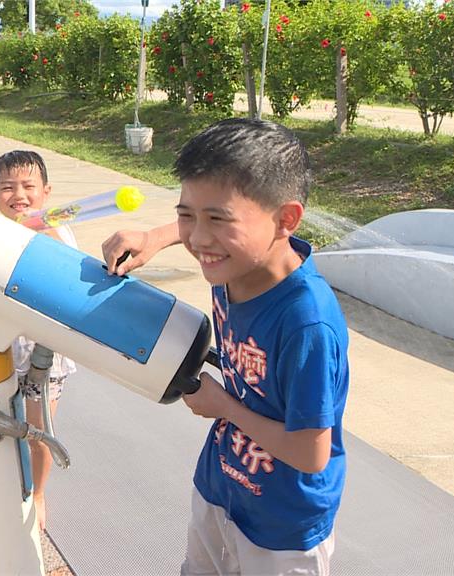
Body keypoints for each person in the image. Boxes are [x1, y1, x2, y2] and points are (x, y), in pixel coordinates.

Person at [101, 118, 349, 575]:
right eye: (186, 214)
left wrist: (226, 407)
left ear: (286, 220)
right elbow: (205, 224)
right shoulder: (235, 263)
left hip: (283, 525)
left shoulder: (306, 323)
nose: (198, 239)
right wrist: (154, 238)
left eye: (217, 219)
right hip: (221, 483)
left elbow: (311, 454)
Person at [0, 150, 77, 531]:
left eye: (28, 186)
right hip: (3, 346)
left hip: (44, 352)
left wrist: (40, 229)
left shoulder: (54, 230)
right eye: (7, 187)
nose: (18, 195)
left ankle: (37, 493)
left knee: (38, 431)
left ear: (46, 191)